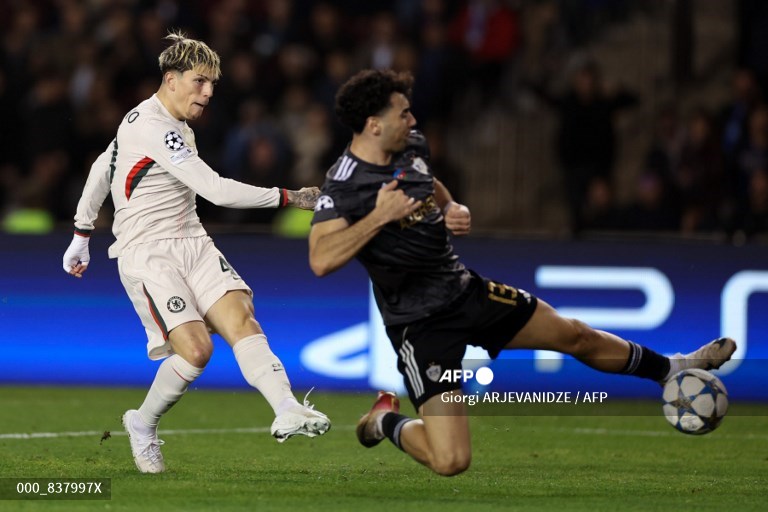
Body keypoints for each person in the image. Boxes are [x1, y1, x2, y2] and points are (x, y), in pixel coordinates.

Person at [307, 69, 736, 477]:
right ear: (373, 125)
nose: (413, 118)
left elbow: (428, 183)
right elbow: (321, 260)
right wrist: (378, 218)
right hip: (420, 326)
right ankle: (385, 422)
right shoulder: (344, 186)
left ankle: (673, 369)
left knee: (575, 335)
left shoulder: (414, 144)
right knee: (451, 460)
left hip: (466, 291)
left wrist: (451, 205)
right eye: (402, 112)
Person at [62, 32, 330, 474]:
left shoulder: (159, 124)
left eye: (213, 85)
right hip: (148, 252)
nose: (207, 93)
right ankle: (142, 425)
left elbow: (101, 167)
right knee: (197, 351)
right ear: (171, 79)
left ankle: (286, 408)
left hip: (194, 241)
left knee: (241, 316)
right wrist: (290, 197)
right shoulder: (152, 126)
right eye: (199, 82)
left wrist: (81, 232)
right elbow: (215, 190)